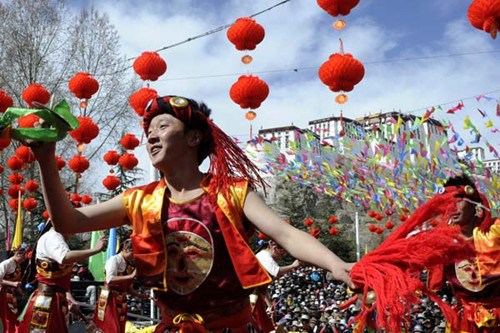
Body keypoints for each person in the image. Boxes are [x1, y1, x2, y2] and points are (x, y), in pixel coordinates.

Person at [30, 95, 353, 332]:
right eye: (148, 131)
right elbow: (68, 222)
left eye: (163, 126)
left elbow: (286, 234)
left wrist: (337, 265)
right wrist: (46, 159)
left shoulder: (233, 192)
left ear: (194, 137)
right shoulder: (139, 200)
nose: (151, 136)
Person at [427, 175, 499, 333]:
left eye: (458, 201)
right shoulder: (440, 243)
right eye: (447, 203)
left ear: (474, 203)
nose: (451, 208)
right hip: (462, 322)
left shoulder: (496, 231)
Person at [18, 224, 107, 333]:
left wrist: (69, 297)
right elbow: (65, 257)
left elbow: (59, 279)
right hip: (46, 300)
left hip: (55, 298)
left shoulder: (58, 238)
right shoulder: (52, 237)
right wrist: (95, 250)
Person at [93, 239, 147, 333]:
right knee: (109, 326)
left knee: (120, 326)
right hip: (109, 298)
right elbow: (110, 279)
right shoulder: (114, 260)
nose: (134, 256)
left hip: (121, 299)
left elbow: (128, 287)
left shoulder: (129, 264)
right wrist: (131, 276)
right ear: (126, 249)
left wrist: (139, 295)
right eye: (133, 253)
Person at [252, 240, 301, 332]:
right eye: (281, 255)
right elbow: (277, 271)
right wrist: (292, 266)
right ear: (275, 249)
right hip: (250, 298)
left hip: (257, 297)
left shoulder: (267, 258)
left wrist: (269, 305)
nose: (280, 258)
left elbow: (262, 288)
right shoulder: (264, 255)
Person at [0, 246, 28, 333]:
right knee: (7, 317)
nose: (23, 260)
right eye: (23, 257)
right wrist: (12, 284)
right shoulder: (6, 263)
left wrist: (22, 293)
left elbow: (17, 283)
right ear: (17, 254)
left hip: (13, 295)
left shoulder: (17, 265)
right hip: (3, 294)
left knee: (14, 316)